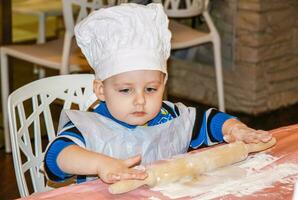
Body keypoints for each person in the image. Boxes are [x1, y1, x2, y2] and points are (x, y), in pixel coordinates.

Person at [44, 3, 272, 185]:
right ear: (101, 90)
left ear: (164, 83)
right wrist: (101, 165)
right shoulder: (90, 127)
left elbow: (208, 120)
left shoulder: (170, 117)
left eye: (151, 89)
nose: (140, 99)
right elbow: (56, 157)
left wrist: (235, 129)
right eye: (125, 90)